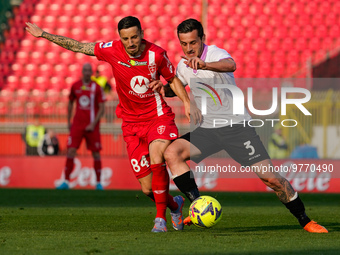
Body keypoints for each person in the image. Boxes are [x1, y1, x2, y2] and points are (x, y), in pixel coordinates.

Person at [25, 16, 191, 232]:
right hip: (131, 124)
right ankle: (174, 205)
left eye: (134, 37)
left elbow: (173, 79)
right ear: (119, 38)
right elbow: (79, 46)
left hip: (157, 117)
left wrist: (186, 102)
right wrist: (44, 34)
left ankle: (160, 220)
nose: (131, 43)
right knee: (147, 189)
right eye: (125, 39)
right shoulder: (111, 50)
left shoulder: (156, 54)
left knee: (157, 153)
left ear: (142, 33)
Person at [163, 19, 328, 233]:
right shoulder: (183, 65)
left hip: (236, 128)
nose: (188, 48)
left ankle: (305, 220)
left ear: (202, 39)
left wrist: (205, 65)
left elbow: (231, 64)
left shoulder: (214, 54)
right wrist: (162, 88)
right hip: (209, 130)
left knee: (272, 179)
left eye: (193, 42)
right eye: (184, 44)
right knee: (172, 153)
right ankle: (199, 207)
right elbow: (175, 87)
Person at [55, 63, 106, 190]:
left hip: (92, 126)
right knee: (71, 150)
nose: (88, 72)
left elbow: (102, 108)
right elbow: (70, 102)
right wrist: (68, 121)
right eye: (86, 70)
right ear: (82, 72)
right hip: (77, 125)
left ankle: (99, 183)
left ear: (92, 73)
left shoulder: (97, 87)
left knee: (96, 152)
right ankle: (66, 181)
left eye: (90, 70)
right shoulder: (75, 86)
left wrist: (93, 124)